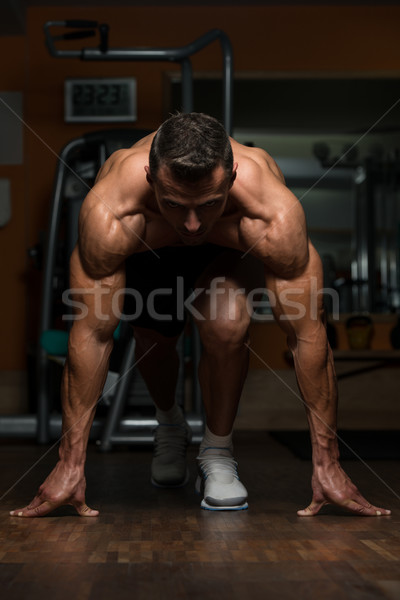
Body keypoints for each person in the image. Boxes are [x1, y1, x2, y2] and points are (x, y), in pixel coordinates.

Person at [11, 112, 390, 517]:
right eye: (174, 204)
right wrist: (69, 466)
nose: (192, 225)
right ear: (150, 178)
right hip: (146, 247)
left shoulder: (271, 214)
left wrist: (327, 464)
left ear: (232, 178)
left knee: (227, 327)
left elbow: (308, 335)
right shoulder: (112, 212)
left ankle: (217, 453)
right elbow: (92, 335)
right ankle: (169, 423)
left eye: (208, 204)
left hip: (227, 250)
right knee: (153, 343)